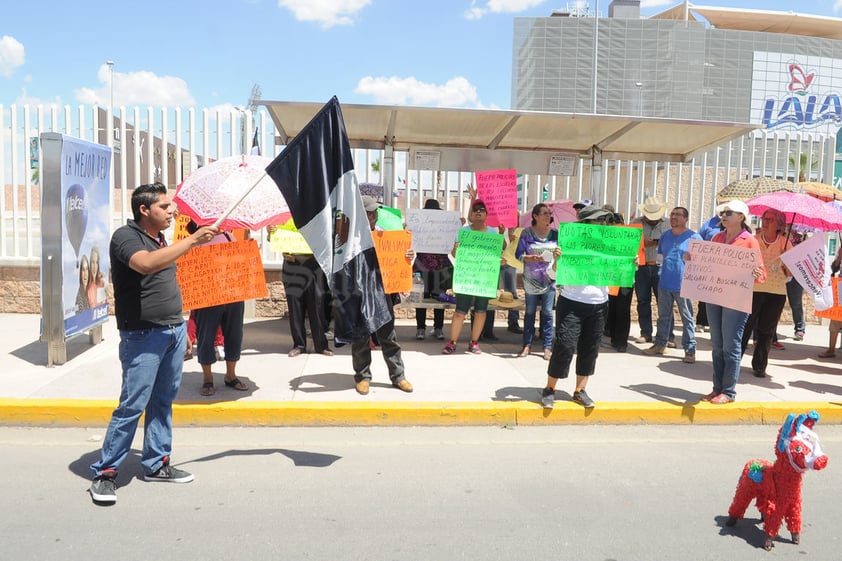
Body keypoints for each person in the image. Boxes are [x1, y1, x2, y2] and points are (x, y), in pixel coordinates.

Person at [88, 182, 218, 504]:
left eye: (170, 205)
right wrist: (191, 241)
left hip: (171, 332)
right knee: (132, 405)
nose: (171, 210)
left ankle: (157, 463)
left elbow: (165, 282)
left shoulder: (160, 238)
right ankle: (105, 473)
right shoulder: (126, 238)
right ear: (144, 210)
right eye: (164, 206)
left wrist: (182, 330)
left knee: (162, 402)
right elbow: (145, 265)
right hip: (143, 335)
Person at [541, 204, 612, 409]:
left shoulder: (607, 244)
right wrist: (556, 261)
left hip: (599, 304)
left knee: (590, 348)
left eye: (602, 221)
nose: (601, 224)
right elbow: (552, 276)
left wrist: (629, 263)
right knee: (565, 345)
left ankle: (580, 391)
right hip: (572, 302)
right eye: (597, 221)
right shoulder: (569, 243)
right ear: (586, 224)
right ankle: (550, 388)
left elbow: (620, 272)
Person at [699, 200, 766, 405]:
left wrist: (755, 273)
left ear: (741, 217)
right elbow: (706, 263)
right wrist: (692, 258)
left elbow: (761, 273)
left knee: (730, 346)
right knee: (717, 346)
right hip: (716, 296)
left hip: (736, 300)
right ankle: (717, 388)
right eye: (723, 212)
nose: (724, 215)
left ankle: (728, 391)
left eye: (729, 212)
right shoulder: (717, 237)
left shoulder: (749, 241)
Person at [351, 196, 413, 396]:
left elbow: (399, 259)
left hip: (382, 292)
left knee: (388, 336)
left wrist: (408, 256)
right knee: (361, 336)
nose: (373, 215)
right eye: (369, 213)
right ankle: (362, 377)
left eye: (374, 212)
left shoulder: (385, 236)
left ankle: (398, 376)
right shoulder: (349, 238)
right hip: (359, 293)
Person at [189, 224, 251, 396]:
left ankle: (231, 376)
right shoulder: (195, 240)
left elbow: (239, 262)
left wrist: (248, 252)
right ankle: (207, 379)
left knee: (234, 334)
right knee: (206, 337)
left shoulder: (229, 236)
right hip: (207, 296)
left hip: (233, 295)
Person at [442, 199, 503, 355]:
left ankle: (474, 342)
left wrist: (503, 237)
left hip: (484, 279)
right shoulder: (463, 232)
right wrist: (456, 249)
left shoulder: (492, 233)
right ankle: (452, 342)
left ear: (486, 214)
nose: (478, 212)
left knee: (481, 311)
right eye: (475, 209)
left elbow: (498, 253)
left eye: (481, 209)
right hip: (466, 278)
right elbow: (455, 254)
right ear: (471, 214)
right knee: (459, 311)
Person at [643, 207, 701, 363]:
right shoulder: (665, 236)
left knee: (687, 318)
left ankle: (690, 350)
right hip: (664, 283)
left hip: (684, 284)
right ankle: (660, 344)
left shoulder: (695, 238)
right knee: (663, 316)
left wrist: (693, 259)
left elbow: (703, 263)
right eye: (672, 214)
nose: (674, 217)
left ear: (686, 219)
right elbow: (660, 257)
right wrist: (660, 273)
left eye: (678, 215)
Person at [739, 209, 792, 377]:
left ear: (779, 225)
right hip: (753, 290)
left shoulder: (785, 243)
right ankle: (734, 361)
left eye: (770, 219)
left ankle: (760, 366)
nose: (766, 222)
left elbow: (790, 273)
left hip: (776, 292)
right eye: (764, 218)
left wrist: (786, 260)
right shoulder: (752, 240)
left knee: (766, 331)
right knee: (744, 327)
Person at [515, 203, 560, 360]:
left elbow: (563, 255)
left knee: (548, 313)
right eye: (544, 213)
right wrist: (530, 257)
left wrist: (558, 255)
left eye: (549, 213)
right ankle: (526, 345)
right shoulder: (527, 234)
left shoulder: (556, 234)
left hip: (550, 280)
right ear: (535, 216)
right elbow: (518, 254)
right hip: (531, 280)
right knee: (529, 312)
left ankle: (547, 347)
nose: (548, 216)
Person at [631, 196, 671, 344]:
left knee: (664, 303)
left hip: (661, 267)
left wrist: (654, 243)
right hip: (641, 267)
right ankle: (646, 333)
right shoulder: (636, 223)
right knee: (643, 301)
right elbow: (630, 243)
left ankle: (667, 335)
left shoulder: (667, 223)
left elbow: (670, 241)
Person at [413, 198, 453, 341]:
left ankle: (438, 328)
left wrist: (458, 224)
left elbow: (454, 240)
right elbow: (410, 242)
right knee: (420, 299)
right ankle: (420, 328)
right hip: (421, 266)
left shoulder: (445, 228)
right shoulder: (418, 227)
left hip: (439, 268)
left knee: (439, 298)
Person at [695, 213, 723, 332]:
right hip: (710, 264)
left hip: (726, 267)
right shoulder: (709, 223)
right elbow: (699, 239)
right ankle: (701, 321)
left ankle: (718, 326)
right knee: (705, 294)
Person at [818, 246, 842, 359]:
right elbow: (833, 269)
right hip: (840, 286)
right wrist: (839, 257)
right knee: (836, 319)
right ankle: (831, 349)